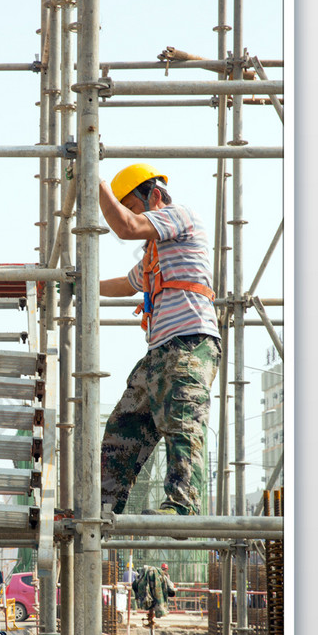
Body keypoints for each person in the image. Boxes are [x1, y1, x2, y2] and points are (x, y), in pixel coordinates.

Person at [98, 164, 221, 517]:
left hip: (190, 342)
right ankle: (105, 505)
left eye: (133, 206)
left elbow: (126, 226)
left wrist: (95, 181)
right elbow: (126, 283)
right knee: (123, 427)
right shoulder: (156, 251)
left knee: (182, 423)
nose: (133, 218)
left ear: (154, 195)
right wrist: (81, 285)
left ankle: (183, 506)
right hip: (160, 351)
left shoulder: (180, 217)